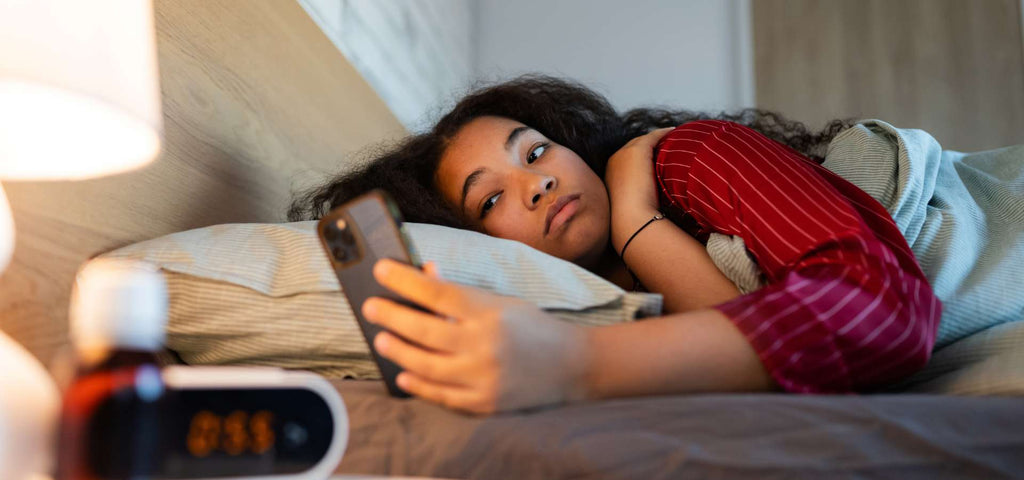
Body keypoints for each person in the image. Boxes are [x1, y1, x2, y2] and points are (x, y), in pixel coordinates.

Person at [289, 75, 942, 414]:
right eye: (490, 200)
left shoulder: (688, 156)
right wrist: (635, 229)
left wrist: (576, 361)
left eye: (537, 151)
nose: (539, 181)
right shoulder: (628, 287)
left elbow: (881, 305)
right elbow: (757, 361)